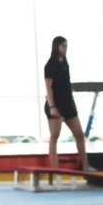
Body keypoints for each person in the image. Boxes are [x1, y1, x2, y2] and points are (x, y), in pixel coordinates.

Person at [43, 36, 93, 171]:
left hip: (68, 104)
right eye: (63, 46)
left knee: (79, 134)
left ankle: (85, 165)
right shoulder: (50, 64)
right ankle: (55, 168)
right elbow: (48, 87)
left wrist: (71, 101)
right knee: (55, 136)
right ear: (56, 47)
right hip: (55, 105)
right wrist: (52, 106)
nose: (65, 48)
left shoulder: (65, 62)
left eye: (66, 46)